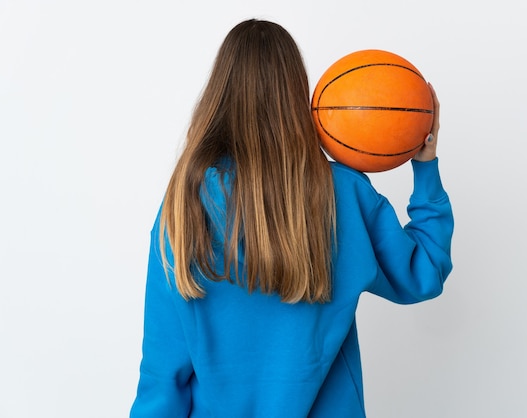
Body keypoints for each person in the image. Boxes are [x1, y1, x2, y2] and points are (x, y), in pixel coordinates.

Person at [130, 19, 453, 418]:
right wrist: (426, 165)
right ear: (298, 94)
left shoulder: (183, 205)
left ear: (218, 94)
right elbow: (426, 272)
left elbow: (163, 375)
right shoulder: (343, 193)